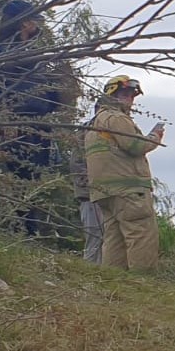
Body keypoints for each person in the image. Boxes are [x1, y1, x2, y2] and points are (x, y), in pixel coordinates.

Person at [0, 0, 61, 235]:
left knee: (35, 177)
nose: (39, 24)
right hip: (17, 124)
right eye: (34, 19)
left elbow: (45, 95)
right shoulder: (3, 51)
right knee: (21, 176)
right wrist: (5, 120)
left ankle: (31, 231)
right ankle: (22, 232)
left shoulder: (33, 54)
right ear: (23, 22)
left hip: (37, 124)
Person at [85, 76, 163, 271]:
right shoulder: (116, 119)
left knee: (114, 239)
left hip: (104, 192)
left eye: (132, 95)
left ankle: (115, 285)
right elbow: (136, 145)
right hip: (129, 191)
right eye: (126, 95)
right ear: (113, 95)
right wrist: (154, 137)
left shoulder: (96, 122)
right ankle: (143, 285)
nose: (130, 100)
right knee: (141, 234)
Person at [69, 113, 103, 263]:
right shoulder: (88, 132)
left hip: (101, 192)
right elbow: (78, 164)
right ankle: (91, 274)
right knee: (96, 237)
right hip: (91, 194)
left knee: (104, 238)